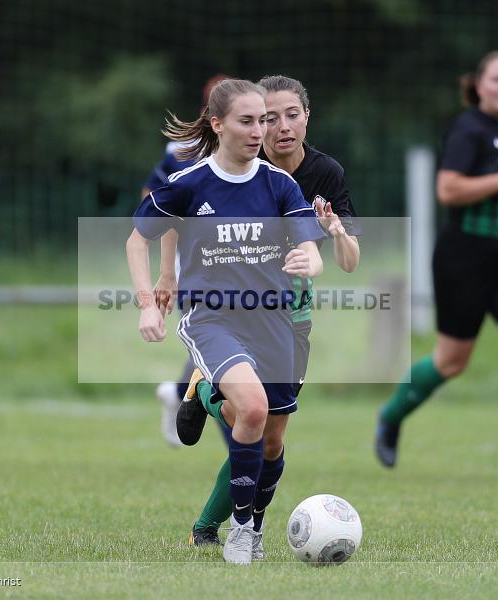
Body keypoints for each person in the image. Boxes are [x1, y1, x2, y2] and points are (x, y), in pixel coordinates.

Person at [127, 78, 324, 564]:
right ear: (217, 124)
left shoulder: (280, 184)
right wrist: (149, 301)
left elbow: (308, 242)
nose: (259, 131)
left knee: (271, 438)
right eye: (247, 121)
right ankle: (239, 531)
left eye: (264, 121)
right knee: (253, 409)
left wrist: (311, 259)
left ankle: (206, 399)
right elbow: (138, 238)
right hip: (211, 318)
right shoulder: (190, 182)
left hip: (273, 321)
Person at [170, 75, 361, 550]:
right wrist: (166, 277)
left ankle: (203, 392)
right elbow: (174, 216)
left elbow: (350, 261)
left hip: (290, 318)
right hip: (232, 314)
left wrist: (335, 233)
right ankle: (225, 531)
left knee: (271, 439)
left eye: (290, 115)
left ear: (307, 117)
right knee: (250, 419)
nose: (279, 127)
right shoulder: (236, 165)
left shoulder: (325, 173)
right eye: (267, 118)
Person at [374, 50, 498, 480]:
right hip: (465, 261)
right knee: (451, 361)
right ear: (479, 85)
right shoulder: (468, 130)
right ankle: (391, 416)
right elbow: (448, 190)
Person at [145, 74, 229, 448]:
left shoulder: (254, 148)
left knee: (223, 348)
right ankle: (244, 457)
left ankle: (181, 392)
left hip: (241, 263)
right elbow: (154, 198)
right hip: (196, 267)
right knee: (221, 347)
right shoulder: (183, 150)